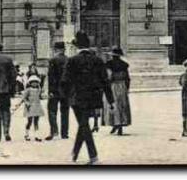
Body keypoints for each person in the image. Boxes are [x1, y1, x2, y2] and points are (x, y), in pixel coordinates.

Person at [61, 31, 115, 165]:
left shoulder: (72, 61)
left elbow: (65, 81)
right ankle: (74, 154)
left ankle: (93, 156)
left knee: (83, 125)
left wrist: (65, 98)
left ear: (77, 46)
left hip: (77, 98)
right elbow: (105, 81)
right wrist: (111, 100)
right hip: (93, 98)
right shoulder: (97, 60)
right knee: (83, 124)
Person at [103, 47, 131, 136]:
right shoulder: (124, 65)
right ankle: (120, 125)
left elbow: (109, 77)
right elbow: (127, 78)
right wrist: (127, 88)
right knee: (122, 105)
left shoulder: (109, 64)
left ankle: (115, 124)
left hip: (113, 86)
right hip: (122, 86)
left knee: (113, 105)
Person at [46, 41, 70, 141]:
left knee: (52, 110)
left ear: (55, 49)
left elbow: (51, 77)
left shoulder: (53, 60)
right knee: (65, 111)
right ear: (64, 49)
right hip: (66, 90)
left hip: (55, 90)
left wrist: (50, 91)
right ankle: (64, 133)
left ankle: (54, 131)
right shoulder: (68, 60)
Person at [21, 75, 45, 141]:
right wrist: (27, 103)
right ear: (30, 83)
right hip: (30, 108)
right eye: (33, 82)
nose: (34, 83)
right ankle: (27, 134)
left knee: (36, 122)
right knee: (29, 121)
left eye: (36, 82)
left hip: (37, 107)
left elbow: (40, 97)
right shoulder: (28, 90)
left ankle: (37, 135)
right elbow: (24, 98)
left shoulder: (38, 90)